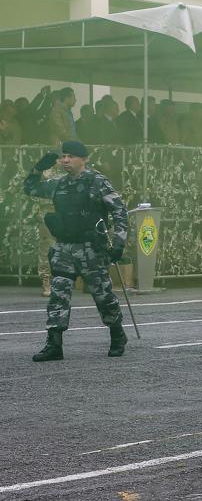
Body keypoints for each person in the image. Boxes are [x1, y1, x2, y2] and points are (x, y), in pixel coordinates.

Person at [23, 140, 130, 361]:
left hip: (91, 249)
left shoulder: (97, 182)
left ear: (84, 159)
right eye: (63, 156)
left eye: (71, 156)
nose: (65, 160)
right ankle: (54, 344)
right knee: (58, 295)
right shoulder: (59, 184)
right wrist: (37, 169)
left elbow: (119, 211)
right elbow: (30, 188)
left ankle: (117, 335)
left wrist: (119, 241)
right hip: (64, 248)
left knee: (102, 295)